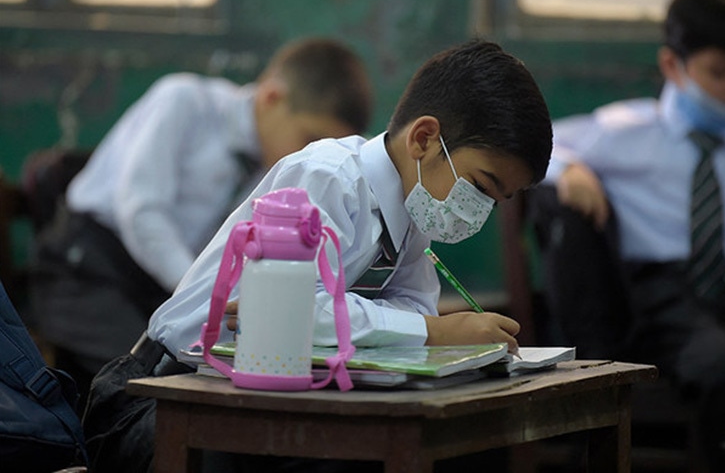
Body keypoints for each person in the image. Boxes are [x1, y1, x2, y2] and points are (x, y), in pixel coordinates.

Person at [81, 38, 553, 473]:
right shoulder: (327, 177)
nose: (481, 211)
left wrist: (380, 325)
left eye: (498, 200)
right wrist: (431, 332)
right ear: (425, 139)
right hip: (165, 400)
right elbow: (285, 312)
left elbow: (402, 311)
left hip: (256, 399)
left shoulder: (412, 217)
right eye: (481, 187)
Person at [29, 37, 373, 415]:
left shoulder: (283, 168)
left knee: (223, 379)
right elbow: (143, 214)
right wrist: (208, 298)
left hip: (169, 290)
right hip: (86, 272)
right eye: (310, 138)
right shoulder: (183, 101)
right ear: (272, 97)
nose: (313, 154)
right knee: (151, 389)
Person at [534, 0, 725, 472]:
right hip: (655, 299)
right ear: (672, 65)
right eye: (720, 72)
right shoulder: (625, 130)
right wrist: (572, 169)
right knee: (722, 365)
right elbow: (538, 150)